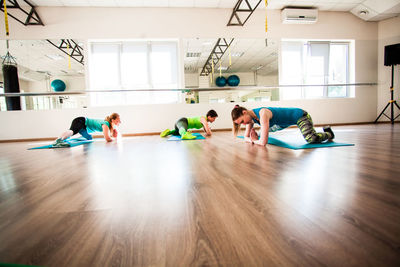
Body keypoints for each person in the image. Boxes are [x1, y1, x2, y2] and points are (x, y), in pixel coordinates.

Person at [231, 105, 334, 146]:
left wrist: (253, 140)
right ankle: (259, 134)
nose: (244, 124)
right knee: (262, 131)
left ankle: (328, 133)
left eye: (242, 121)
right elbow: (246, 137)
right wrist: (251, 139)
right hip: (282, 123)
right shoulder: (250, 119)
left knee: (311, 138)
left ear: (245, 112)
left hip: (300, 116)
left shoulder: (263, 113)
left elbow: (263, 143)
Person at [53, 113, 121, 147]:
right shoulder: (106, 124)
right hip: (81, 121)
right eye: (118, 120)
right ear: (113, 120)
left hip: (84, 126)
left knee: (89, 137)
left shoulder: (109, 125)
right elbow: (107, 138)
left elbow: (112, 136)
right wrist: (112, 140)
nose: (119, 121)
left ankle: (66, 138)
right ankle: (58, 140)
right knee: (72, 131)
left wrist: (114, 134)